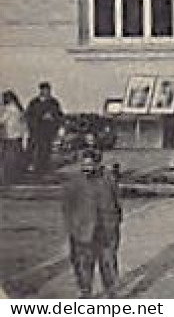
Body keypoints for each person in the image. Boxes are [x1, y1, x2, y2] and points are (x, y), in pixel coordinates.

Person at [61, 148, 121, 297]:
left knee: (108, 262)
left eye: (90, 165)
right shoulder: (74, 182)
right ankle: (85, 292)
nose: (86, 168)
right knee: (83, 264)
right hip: (82, 231)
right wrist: (74, 228)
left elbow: (116, 203)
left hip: (105, 229)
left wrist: (113, 223)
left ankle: (111, 292)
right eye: (83, 165)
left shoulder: (108, 180)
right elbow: (67, 207)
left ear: (97, 164)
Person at [25, 82, 63, 177]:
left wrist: (53, 120)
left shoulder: (54, 102)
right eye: (44, 90)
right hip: (37, 130)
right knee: (36, 149)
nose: (46, 92)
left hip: (49, 130)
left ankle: (45, 169)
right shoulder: (34, 102)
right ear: (40, 90)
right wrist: (40, 117)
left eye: (48, 90)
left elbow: (59, 115)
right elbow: (29, 115)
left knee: (47, 150)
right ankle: (37, 169)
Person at [0, 90, 27, 184]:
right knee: (16, 157)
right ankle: (16, 177)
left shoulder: (8, 109)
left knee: (8, 158)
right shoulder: (19, 109)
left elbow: (2, 121)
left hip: (9, 136)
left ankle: (8, 178)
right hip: (18, 136)